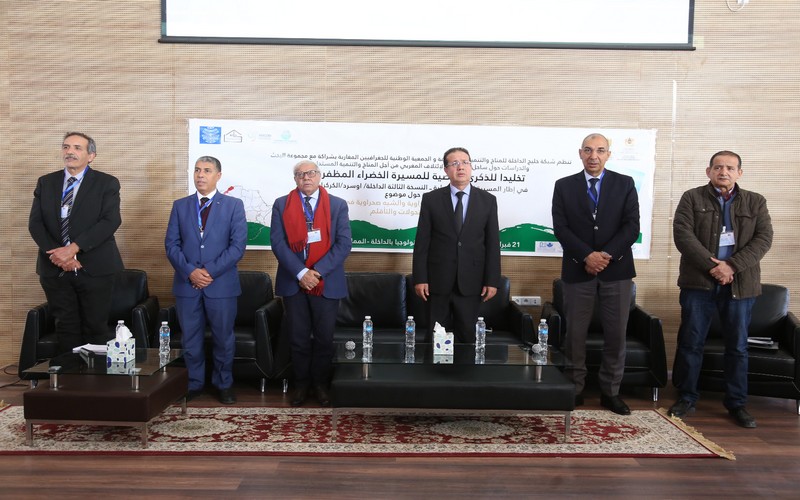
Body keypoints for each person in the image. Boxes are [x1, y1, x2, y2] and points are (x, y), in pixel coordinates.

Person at [668, 150, 773, 429]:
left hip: (740, 284)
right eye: (717, 167)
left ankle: (737, 403)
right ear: (708, 171)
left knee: (737, 346)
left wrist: (732, 266)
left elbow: (764, 239)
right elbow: (683, 235)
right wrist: (712, 266)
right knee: (691, 342)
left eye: (729, 168)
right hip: (698, 282)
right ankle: (686, 397)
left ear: (739, 173)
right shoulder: (692, 198)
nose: (723, 172)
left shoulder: (756, 201)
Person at [551, 133, 640, 415]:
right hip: (578, 270)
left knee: (616, 335)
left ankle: (610, 392)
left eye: (600, 150)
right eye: (588, 150)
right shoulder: (564, 186)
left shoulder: (625, 184)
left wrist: (605, 256)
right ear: (580, 153)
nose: (594, 156)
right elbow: (561, 228)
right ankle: (575, 388)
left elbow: (631, 226)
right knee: (575, 335)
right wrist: (587, 256)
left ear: (608, 155)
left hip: (617, 270)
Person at [29, 132, 124, 355]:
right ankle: (69, 376)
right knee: (65, 327)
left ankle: (96, 377)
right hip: (55, 268)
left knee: (96, 328)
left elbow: (110, 221)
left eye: (77, 148)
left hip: (95, 268)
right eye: (66, 147)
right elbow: (36, 224)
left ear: (91, 156)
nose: (69, 152)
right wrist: (59, 256)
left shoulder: (106, 183)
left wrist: (73, 249)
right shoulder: (46, 182)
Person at [165, 156, 247, 404]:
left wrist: (208, 272)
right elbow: (171, 245)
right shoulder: (180, 206)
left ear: (218, 176)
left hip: (221, 285)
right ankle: (194, 383)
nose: (200, 175)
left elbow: (237, 247)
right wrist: (191, 271)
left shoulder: (233, 205)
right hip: (187, 284)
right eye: (197, 170)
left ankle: (224, 384)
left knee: (223, 338)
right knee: (190, 339)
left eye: (207, 170)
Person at [271, 160, 352, 407]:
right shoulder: (281, 204)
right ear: (295, 179)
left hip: (326, 282)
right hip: (293, 282)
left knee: (324, 339)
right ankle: (301, 385)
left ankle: (320, 385)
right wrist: (301, 273)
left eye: (311, 173)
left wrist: (316, 273)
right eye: (300, 174)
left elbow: (343, 244)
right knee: (298, 338)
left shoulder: (337, 205)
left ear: (319, 176)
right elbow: (278, 244)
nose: (306, 177)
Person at [412, 147, 501, 343]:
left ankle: (466, 365)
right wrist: (420, 278)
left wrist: (492, 280)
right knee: (435, 338)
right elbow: (422, 242)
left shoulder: (487, 201)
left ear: (471, 167)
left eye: (465, 162)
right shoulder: (431, 200)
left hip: (472, 282)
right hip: (437, 282)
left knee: (468, 338)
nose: (461, 167)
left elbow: (493, 244)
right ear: (446, 170)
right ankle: (433, 365)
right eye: (454, 163)